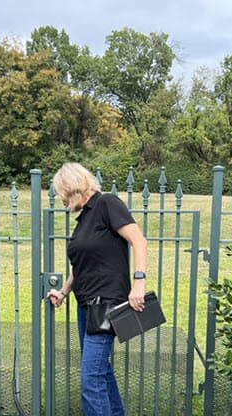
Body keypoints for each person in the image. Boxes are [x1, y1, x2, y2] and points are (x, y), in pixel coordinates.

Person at [47, 162, 147, 416]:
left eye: (62, 194)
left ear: (72, 187)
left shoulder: (107, 204)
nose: (62, 202)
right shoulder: (85, 218)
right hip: (86, 307)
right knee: (101, 373)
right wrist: (63, 292)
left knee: (91, 380)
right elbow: (82, 265)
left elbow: (139, 240)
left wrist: (139, 283)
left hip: (107, 305)